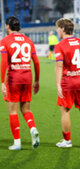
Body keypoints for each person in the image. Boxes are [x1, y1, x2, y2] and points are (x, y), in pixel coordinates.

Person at [0, 16, 40, 150]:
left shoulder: (5, 41)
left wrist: (1, 82)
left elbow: (4, 63)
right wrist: (37, 81)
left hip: (13, 78)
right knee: (26, 109)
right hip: (27, 77)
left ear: (7, 26)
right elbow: (36, 62)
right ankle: (32, 128)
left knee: (13, 111)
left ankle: (17, 142)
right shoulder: (28, 40)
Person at [54, 18, 80, 148]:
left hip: (68, 82)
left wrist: (58, 84)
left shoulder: (60, 45)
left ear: (63, 29)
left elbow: (59, 66)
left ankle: (67, 141)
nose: (57, 30)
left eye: (58, 28)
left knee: (65, 111)